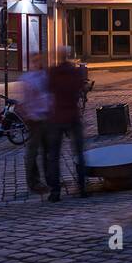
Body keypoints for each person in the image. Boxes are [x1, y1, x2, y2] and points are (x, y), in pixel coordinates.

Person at [44, 47, 88, 201]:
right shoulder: (75, 72)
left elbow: (48, 90)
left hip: (57, 117)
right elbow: (81, 89)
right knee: (79, 153)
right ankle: (82, 188)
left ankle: (55, 192)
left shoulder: (53, 72)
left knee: (54, 157)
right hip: (73, 116)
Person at [17, 51, 51, 194]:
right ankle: (34, 182)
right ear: (31, 62)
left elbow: (49, 95)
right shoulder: (27, 79)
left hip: (47, 117)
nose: (38, 63)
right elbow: (25, 101)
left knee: (48, 152)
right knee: (32, 152)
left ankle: (50, 179)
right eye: (35, 61)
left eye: (39, 60)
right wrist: (29, 116)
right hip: (35, 120)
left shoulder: (44, 76)